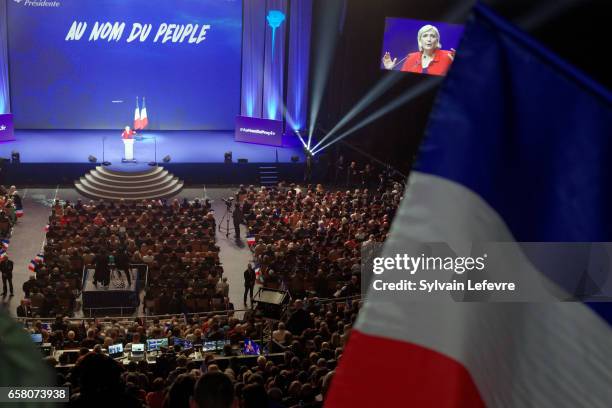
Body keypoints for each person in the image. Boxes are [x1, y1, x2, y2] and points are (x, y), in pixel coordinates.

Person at [382, 24, 455, 76]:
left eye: (432, 36)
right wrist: (389, 69)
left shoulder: (449, 56)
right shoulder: (411, 57)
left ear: (437, 40)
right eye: (425, 36)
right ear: (420, 40)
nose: (429, 39)